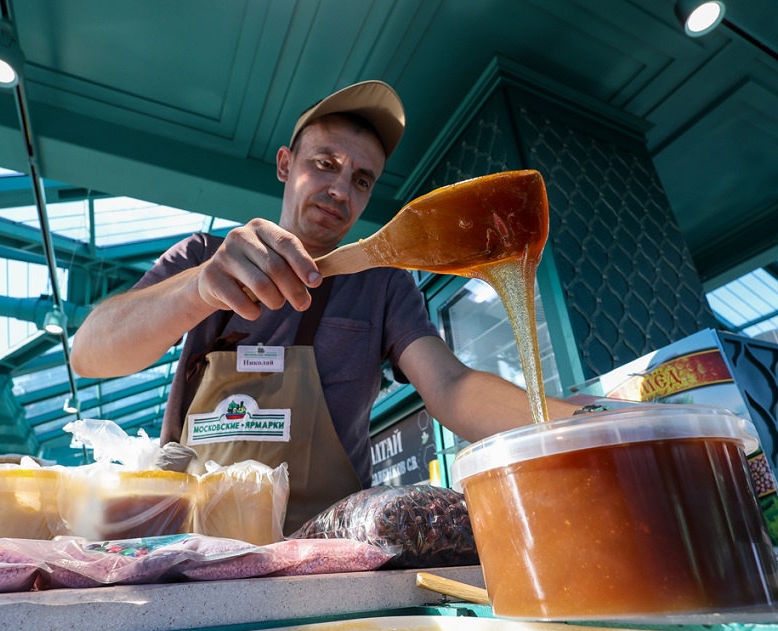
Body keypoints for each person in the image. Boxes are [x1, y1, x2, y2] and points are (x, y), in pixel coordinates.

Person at [70, 80, 578, 532]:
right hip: (192, 545)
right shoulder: (204, 257)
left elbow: (451, 387)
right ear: (285, 164)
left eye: (362, 179)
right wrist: (197, 290)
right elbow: (88, 354)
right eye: (325, 163)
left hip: (327, 558)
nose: (340, 190)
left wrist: (583, 419)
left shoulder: (382, 284)